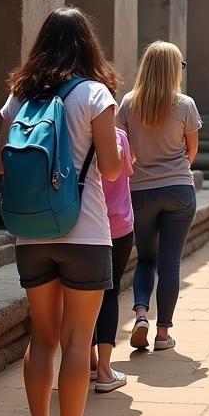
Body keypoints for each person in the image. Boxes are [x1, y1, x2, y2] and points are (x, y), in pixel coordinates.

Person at [0, 6, 122, 416]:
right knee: (77, 340)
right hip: (85, 232)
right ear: (88, 44)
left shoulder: (18, 97)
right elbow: (110, 169)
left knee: (43, 338)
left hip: (31, 233)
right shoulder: (94, 94)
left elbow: (2, 164)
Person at [117, 40, 201, 352]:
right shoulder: (185, 105)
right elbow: (191, 151)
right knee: (170, 262)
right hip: (178, 190)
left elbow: (120, 148)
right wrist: (175, 167)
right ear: (173, 70)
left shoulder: (128, 103)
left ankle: (141, 314)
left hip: (139, 191)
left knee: (146, 258)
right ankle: (163, 333)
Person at [89, 128, 135, 392]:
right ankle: (105, 369)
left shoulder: (71, 136)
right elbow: (124, 172)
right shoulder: (118, 136)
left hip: (84, 228)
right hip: (117, 226)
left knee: (81, 296)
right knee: (110, 293)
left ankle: (89, 362)